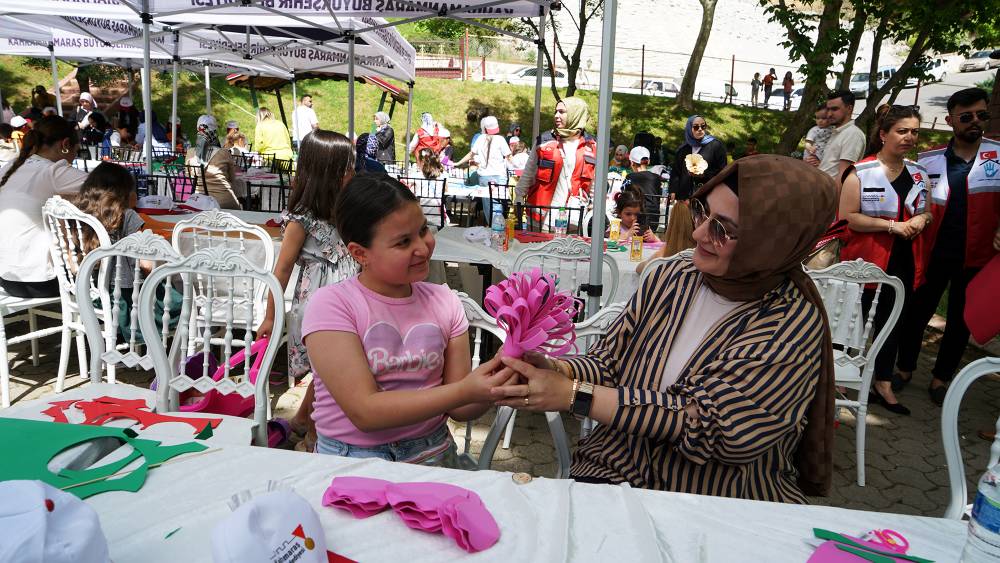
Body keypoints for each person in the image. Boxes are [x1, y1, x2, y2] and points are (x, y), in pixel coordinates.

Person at [492, 154, 837, 503]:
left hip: (716, 499)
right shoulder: (673, 275)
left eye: (723, 229)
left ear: (771, 243)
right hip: (614, 471)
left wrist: (573, 394)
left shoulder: (790, 323)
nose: (698, 232)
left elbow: (709, 427)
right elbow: (609, 363)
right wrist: (554, 368)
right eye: (703, 212)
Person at [302, 174, 507, 464]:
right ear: (360, 253)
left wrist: (496, 381)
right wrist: (464, 391)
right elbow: (366, 411)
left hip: (433, 451)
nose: (423, 248)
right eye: (403, 242)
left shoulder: (445, 301)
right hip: (352, 458)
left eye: (424, 230)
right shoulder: (333, 305)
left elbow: (462, 409)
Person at [897, 88, 1000, 406]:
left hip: (978, 256)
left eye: (981, 115)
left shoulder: (998, 155)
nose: (975, 122)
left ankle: (942, 379)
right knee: (917, 313)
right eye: (966, 116)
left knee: (960, 320)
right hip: (933, 252)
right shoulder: (928, 159)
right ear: (950, 120)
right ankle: (904, 369)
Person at [256, 130, 358, 451]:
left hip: (348, 304)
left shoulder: (345, 212)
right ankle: (315, 437)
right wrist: (271, 316)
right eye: (345, 169)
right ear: (325, 174)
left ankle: (303, 420)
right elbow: (282, 269)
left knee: (328, 373)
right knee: (328, 372)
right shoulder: (302, 221)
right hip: (317, 307)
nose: (351, 175)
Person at [839, 105, 931, 416]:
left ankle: (883, 382)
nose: (909, 137)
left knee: (892, 322)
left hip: (904, 260)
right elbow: (849, 217)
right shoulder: (861, 172)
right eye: (902, 131)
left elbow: (926, 210)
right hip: (866, 259)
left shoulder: (919, 173)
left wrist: (923, 220)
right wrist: (892, 226)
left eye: (914, 131)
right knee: (855, 321)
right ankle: (838, 380)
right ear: (883, 134)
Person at [0, 116, 86, 298]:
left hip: (6, 278)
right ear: (65, 144)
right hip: (44, 281)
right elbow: (116, 189)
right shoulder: (52, 171)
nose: (73, 158)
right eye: (75, 151)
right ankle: (107, 316)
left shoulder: (8, 167)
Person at [516, 97, 598, 220]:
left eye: (561, 112)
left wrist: (594, 204)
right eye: (556, 111)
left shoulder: (591, 145)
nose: (556, 115)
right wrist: (519, 196)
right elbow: (529, 171)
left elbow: (594, 182)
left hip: (573, 218)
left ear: (576, 114)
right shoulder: (544, 140)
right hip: (541, 219)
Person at [670, 115, 728, 201]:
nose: (700, 129)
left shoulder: (716, 146)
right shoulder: (683, 149)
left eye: (703, 126)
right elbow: (676, 171)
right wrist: (673, 191)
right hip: (685, 196)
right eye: (696, 127)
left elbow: (723, 170)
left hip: (708, 195)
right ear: (689, 128)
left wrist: (705, 174)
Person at [819, 90, 867, 186]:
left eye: (834, 109)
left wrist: (833, 200)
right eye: (828, 109)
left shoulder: (853, 134)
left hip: (830, 195)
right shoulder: (838, 132)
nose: (829, 114)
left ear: (849, 108)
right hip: (821, 191)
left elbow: (843, 175)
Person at [185, 140, 245, 210]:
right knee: (240, 202)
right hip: (223, 200)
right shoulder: (224, 152)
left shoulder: (190, 152)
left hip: (198, 200)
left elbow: (188, 176)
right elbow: (232, 178)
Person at [623, 146, 665, 231]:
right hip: (654, 221)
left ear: (631, 162)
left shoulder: (630, 177)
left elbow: (624, 198)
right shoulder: (656, 178)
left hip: (635, 220)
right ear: (648, 161)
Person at [464, 115, 510, 187]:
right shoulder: (500, 139)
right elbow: (509, 156)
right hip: (499, 175)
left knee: (487, 197)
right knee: (499, 197)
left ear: (484, 128)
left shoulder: (480, 138)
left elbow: (471, 154)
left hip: (484, 176)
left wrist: (457, 163)